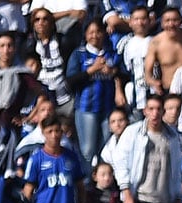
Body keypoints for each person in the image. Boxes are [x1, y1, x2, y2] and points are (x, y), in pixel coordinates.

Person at [112, 94, 182, 203]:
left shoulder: (172, 137)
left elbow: (177, 170)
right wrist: (126, 195)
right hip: (140, 199)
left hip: (164, 202)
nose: (155, 113)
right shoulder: (133, 133)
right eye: (151, 109)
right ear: (145, 111)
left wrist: (178, 196)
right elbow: (120, 163)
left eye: (158, 109)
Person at [66, 19, 124, 170]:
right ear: (85, 35)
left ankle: (103, 182)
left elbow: (121, 72)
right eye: (91, 32)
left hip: (108, 107)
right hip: (86, 108)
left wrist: (113, 72)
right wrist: (92, 70)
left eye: (98, 32)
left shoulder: (111, 53)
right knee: (87, 150)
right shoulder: (79, 54)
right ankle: (86, 183)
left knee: (105, 148)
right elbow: (70, 81)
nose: (95, 36)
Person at [22, 115, 86, 203]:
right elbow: (27, 193)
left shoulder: (72, 157)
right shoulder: (36, 160)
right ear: (43, 133)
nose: (54, 135)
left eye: (57, 131)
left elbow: (81, 188)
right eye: (50, 131)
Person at [0, 32, 45, 129]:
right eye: (2, 46)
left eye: (9, 46)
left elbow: (42, 95)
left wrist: (28, 117)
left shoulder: (22, 73)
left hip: (11, 125)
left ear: (15, 49)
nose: (6, 50)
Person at [25, 8, 73, 118]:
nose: (41, 22)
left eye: (45, 19)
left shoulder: (64, 41)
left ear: (51, 23)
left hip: (64, 90)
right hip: (43, 91)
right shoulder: (30, 45)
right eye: (37, 20)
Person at [144, 8, 182, 96]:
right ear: (162, 23)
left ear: (181, 21)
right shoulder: (156, 42)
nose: (171, 24)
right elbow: (147, 73)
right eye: (167, 21)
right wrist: (154, 83)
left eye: (175, 20)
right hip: (168, 92)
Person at [117, 6, 153, 119]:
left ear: (149, 21)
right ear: (130, 22)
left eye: (143, 19)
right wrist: (119, 91)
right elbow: (119, 71)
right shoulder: (124, 44)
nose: (140, 22)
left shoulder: (156, 41)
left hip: (154, 98)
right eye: (136, 19)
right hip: (134, 99)